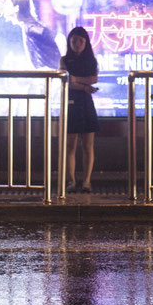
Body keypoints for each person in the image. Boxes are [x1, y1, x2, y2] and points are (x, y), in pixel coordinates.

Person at [60, 26, 100, 193]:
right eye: (74, 40)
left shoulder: (91, 60)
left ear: (86, 43)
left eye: (81, 41)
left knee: (88, 146)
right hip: (72, 103)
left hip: (86, 104)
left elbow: (94, 79)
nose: (77, 44)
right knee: (70, 146)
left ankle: (86, 181)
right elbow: (66, 81)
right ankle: (71, 181)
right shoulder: (64, 60)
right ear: (69, 42)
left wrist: (77, 81)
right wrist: (84, 86)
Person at [4, 0, 61, 69]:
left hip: (49, 75)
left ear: (16, 8)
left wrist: (62, 64)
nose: (4, 7)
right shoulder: (27, 25)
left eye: (7, 4)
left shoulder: (30, 27)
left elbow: (59, 37)